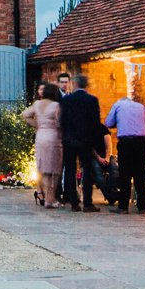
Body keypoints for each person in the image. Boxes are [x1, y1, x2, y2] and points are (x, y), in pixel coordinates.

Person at [56, 73, 106, 213]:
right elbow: (95, 124)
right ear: (86, 85)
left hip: (70, 140)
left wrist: (64, 136)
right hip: (86, 141)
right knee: (87, 171)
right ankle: (88, 203)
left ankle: (73, 202)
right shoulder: (92, 100)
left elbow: (62, 121)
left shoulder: (67, 100)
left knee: (70, 170)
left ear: (75, 84)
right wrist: (96, 142)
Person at [105, 86, 145, 213]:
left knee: (125, 174)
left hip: (126, 142)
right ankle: (142, 206)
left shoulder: (117, 105)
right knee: (140, 174)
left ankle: (123, 207)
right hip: (141, 142)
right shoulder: (141, 107)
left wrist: (120, 122)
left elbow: (108, 123)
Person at [21, 83, 64, 209]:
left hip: (40, 136)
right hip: (53, 137)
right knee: (54, 169)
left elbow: (24, 115)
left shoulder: (37, 104)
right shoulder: (56, 106)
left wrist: (37, 124)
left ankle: (47, 198)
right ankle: (52, 199)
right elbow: (59, 122)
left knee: (44, 169)